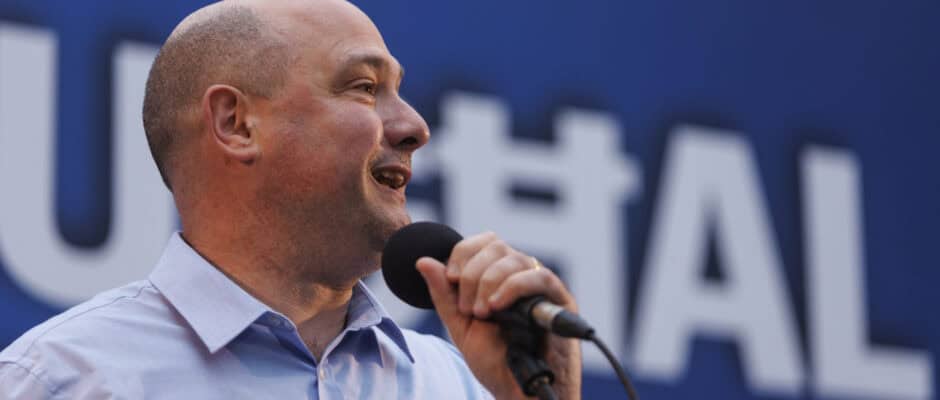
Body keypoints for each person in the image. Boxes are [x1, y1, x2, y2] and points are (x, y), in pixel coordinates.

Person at [0, 0, 582, 398]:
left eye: (397, 92)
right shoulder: (62, 380)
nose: (415, 127)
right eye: (365, 87)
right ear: (236, 124)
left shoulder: (457, 384)